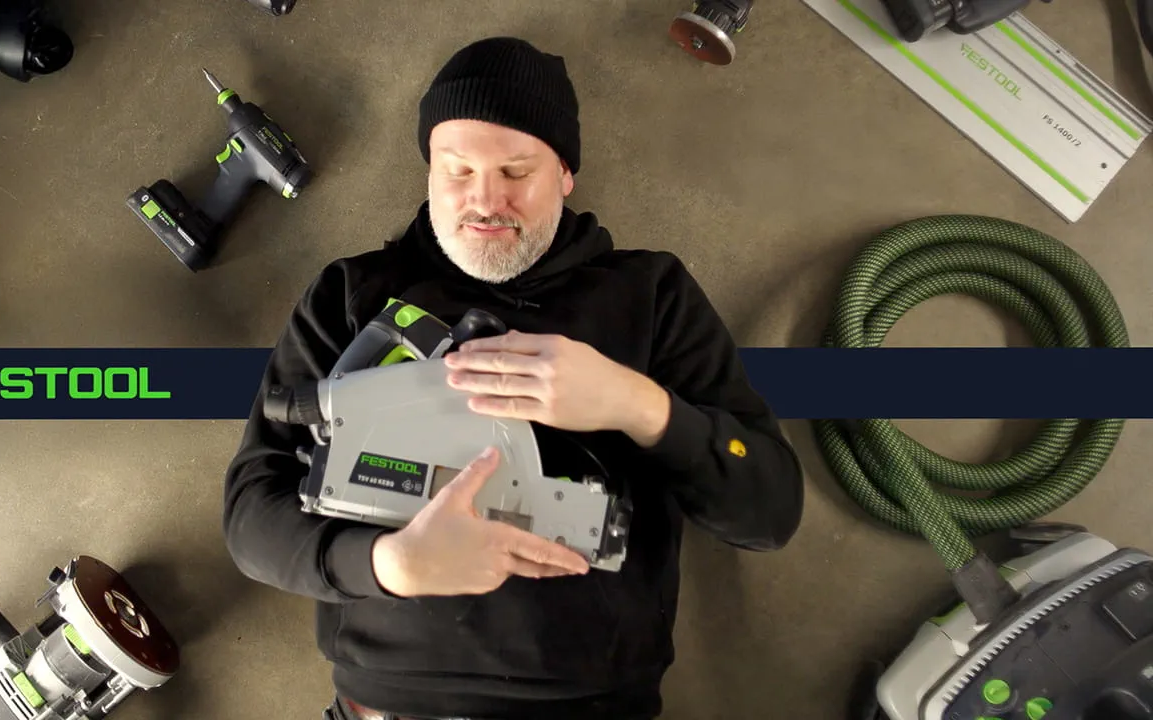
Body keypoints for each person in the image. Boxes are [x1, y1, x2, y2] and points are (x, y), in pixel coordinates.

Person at [222, 36, 805, 720]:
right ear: (429, 172)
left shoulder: (651, 296)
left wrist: (636, 404)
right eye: (457, 170)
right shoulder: (350, 294)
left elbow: (770, 511)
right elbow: (251, 516)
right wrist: (390, 564)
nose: (484, 200)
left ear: (565, 174)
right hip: (385, 705)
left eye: (515, 171)